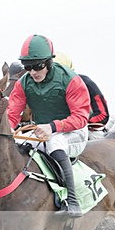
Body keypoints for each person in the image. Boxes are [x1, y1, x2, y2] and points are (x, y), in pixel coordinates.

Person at [8, 34, 91, 218]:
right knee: (21, 145)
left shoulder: (71, 80)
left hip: (74, 132)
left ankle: (72, 202)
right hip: (44, 131)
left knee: (54, 143)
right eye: (28, 67)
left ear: (49, 62)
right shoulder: (23, 84)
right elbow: (12, 115)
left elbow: (81, 117)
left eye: (38, 66)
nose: (33, 72)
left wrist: (52, 127)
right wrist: (7, 131)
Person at [53, 53, 115, 139]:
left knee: (93, 138)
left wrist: (79, 123)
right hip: (68, 125)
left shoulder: (85, 82)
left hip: (94, 125)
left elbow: (102, 115)